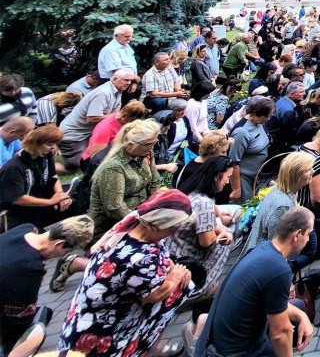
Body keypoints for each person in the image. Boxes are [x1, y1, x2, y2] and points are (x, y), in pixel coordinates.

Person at [59, 190, 195, 357]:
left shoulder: (137, 223)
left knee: (181, 285)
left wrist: (175, 269)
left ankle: (147, 346)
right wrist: (175, 278)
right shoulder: (139, 257)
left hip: (89, 312)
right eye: (173, 228)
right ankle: (138, 347)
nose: (174, 233)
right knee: (173, 290)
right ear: (160, 223)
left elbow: (163, 253)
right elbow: (153, 295)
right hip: (100, 326)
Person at [193, 206, 315, 357]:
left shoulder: (263, 249)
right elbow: (280, 334)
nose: (309, 239)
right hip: (235, 352)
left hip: (221, 340)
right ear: (296, 235)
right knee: (286, 334)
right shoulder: (279, 269)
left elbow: (274, 306)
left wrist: (301, 316)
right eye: (308, 234)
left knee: (299, 307)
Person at [0, 215, 94, 352]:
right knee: (35, 323)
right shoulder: (30, 269)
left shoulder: (24, 228)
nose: (61, 256)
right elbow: (20, 317)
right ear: (59, 244)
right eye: (66, 251)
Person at [167, 155, 235, 301]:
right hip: (183, 255)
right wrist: (224, 234)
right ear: (217, 177)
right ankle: (201, 289)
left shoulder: (192, 190)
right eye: (227, 177)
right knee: (225, 241)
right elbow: (206, 241)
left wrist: (219, 228)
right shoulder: (204, 203)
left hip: (174, 246)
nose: (228, 181)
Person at [88, 119, 163, 239]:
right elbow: (115, 208)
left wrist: (155, 207)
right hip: (111, 229)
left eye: (155, 143)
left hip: (138, 218)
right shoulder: (114, 167)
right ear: (130, 146)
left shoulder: (145, 155)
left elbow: (155, 181)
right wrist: (142, 223)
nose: (153, 148)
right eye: (149, 145)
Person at [240, 151, 316, 259]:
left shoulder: (282, 189)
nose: (313, 171)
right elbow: (276, 245)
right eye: (308, 169)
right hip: (262, 259)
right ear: (296, 175)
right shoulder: (282, 206)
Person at [58, 67, 137, 169]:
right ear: (114, 79)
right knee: (79, 166)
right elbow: (92, 119)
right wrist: (120, 116)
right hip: (74, 134)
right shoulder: (103, 93)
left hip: (87, 133)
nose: (128, 83)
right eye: (126, 80)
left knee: (99, 160)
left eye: (130, 80)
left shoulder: (118, 91)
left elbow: (115, 115)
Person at [0, 124, 70, 230]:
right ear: (36, 144)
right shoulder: (14, 167)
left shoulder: (45, 155)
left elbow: (52, 175)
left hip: (40, 205)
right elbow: (17, 199)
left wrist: (60, 195)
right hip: (18, 213)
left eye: (55, 144)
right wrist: (50, 202)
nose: (53, 147)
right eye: (49, 144)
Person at [228, 96, 274, 203]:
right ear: (258, 113)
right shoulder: (242, 132)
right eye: (267, 115)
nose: (269, 118)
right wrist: (236, 189)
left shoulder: (259, 123)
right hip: (243, 179)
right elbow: (233, 162)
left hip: (256, 176)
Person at [83, 101, 148, 162]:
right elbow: (95, 157)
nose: (135, 122)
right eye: (132, 119)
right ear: (124, 116)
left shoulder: (121, 117)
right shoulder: (105, 128)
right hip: (94, 161)